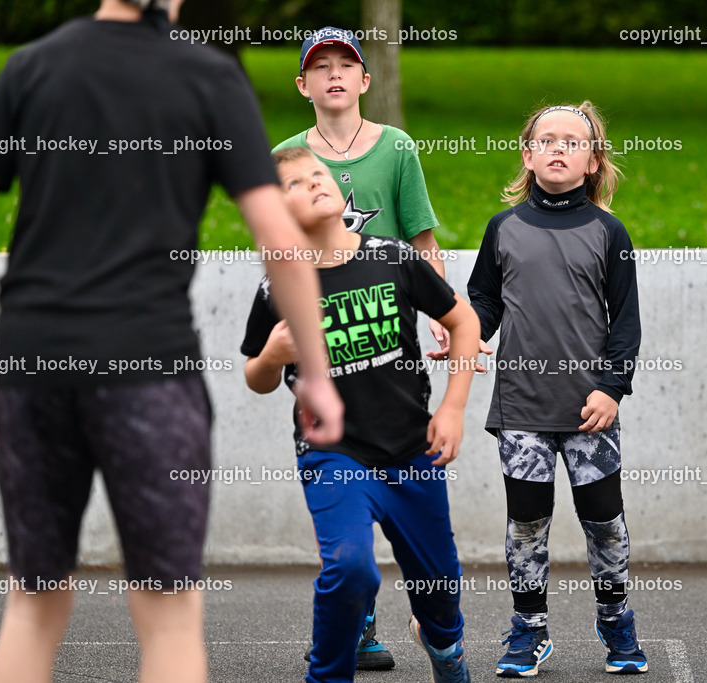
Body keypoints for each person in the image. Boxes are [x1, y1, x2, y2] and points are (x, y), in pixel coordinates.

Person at [0, 2, 342, 681]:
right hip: (149, 365)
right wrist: (316, 374)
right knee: (169, 607)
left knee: (34, 599)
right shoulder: (207, 73)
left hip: (33, 361)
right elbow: (280, 239)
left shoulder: (34, 65)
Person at [241, 146, 478, 683]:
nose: (315, 183)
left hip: (412, 451)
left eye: (318, 174)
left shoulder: (393, 257)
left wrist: (453, 406)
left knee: (439, 593)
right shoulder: (279, 284)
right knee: (350, 566)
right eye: (296, 184)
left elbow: (464, 324)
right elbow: (256, 377)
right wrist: (272, 359)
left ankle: (443, 647)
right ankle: (327, 676)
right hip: (333, 454)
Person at [274, 26, 450, 669]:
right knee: (345, 487)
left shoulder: (396, 148)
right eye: (320, 67)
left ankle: (430, 613)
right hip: (327, 345)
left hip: (390, 340)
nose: (335, 75)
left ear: (365, 78)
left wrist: (440, 316)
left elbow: (420, 238)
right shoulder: (287, 155)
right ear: (304, 84)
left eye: (346, 64)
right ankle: (361, 624)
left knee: (405, 480)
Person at [467, 102, 648, 676]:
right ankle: (529, 631)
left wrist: (612, 390)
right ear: (527, 154)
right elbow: (484, 302)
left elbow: (625, 322)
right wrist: (465, 335)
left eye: (573, 142)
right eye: (547, 140)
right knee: (526, 521)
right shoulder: (504, 229)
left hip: (590, 408)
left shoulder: (608, 231)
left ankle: (616, 623)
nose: (558, 149)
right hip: (521, 406)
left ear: (593, 160)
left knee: (604, 520)